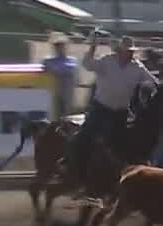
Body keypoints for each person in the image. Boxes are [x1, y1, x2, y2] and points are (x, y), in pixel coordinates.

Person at [66, 32, 157, 184]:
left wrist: (160, 87)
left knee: (124, 142)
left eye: (131, 51)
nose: (129, 54)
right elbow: (87, 64)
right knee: (85, 135)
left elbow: (153, 81)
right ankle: (70, 163)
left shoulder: (138, 67)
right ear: (119, 51)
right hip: (101, 108)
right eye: (126, 51)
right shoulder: (107, 61)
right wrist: (92, 47)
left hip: (120, 112)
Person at [42, 32, 79, 119]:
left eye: (61, 45)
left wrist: (54, 70)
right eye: (57, 45)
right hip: (52, 92)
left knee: (66, 115)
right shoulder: (48, 61)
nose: (59, 48)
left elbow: (69, 70)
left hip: (66, 93)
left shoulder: (71, 61)